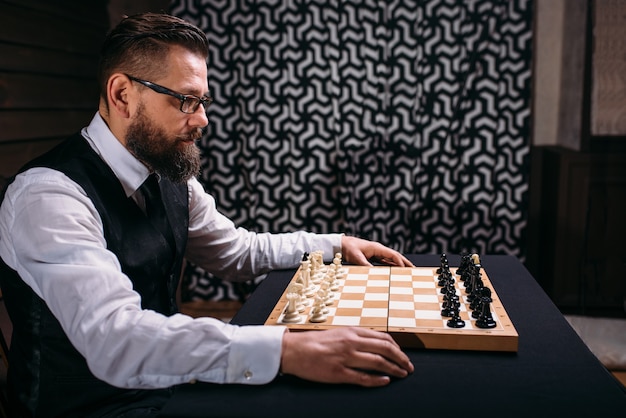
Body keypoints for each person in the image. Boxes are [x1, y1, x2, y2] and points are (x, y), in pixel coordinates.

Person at [0, 12, 414, 417]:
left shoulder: (165, 170)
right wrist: (286, 348)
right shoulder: (48, 196)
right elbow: (116, 338)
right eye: (185, 101)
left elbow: (236, 251)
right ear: (122, 94)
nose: (202, 119)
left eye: (202, 101)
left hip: (169, 382)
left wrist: (335, 244)